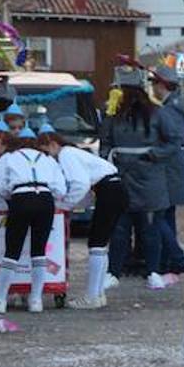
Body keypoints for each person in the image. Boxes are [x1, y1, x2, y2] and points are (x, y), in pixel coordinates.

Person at [101, 64, 169, 287]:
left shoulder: (158, 114)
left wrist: (152, 155)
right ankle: (113, 272)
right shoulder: (112, 115)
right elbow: (106, 143)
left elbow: (174, 143)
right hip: (121, 177)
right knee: (119, 229)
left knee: (150, 229)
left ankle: (152, 271)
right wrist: (108, 166)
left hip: (149, 179)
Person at [42, 132, 125, 309]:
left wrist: (64, 205)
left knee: (96, 244)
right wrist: (71, 204)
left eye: (46, 152)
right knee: (100, 244)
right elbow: (85, 189)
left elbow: (80, 184)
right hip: (114, 189)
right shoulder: (76, 154)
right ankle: (98, 294)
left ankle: (92, 296)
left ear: (53, 144)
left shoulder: (66, 154)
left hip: (107, 190)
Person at [0, 127, 67, 313]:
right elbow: (61, 189)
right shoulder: (48, 159)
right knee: (39, 251)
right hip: (45, 200)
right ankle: (36, 300)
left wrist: (11, 193)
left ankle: (0, 300)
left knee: (12, 250)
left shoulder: (8, 158)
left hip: (21, 198)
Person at [150, 63, 184, 275]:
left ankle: (177, 258)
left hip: (171, 168)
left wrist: (153, 153)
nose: (152, 87)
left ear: (162, 85)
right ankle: (169, 260)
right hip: (174, 167)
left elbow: (175, 139)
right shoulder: (176, 103)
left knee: (160, 216)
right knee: (167, 216)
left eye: (154, 83)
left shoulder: (170, 107)